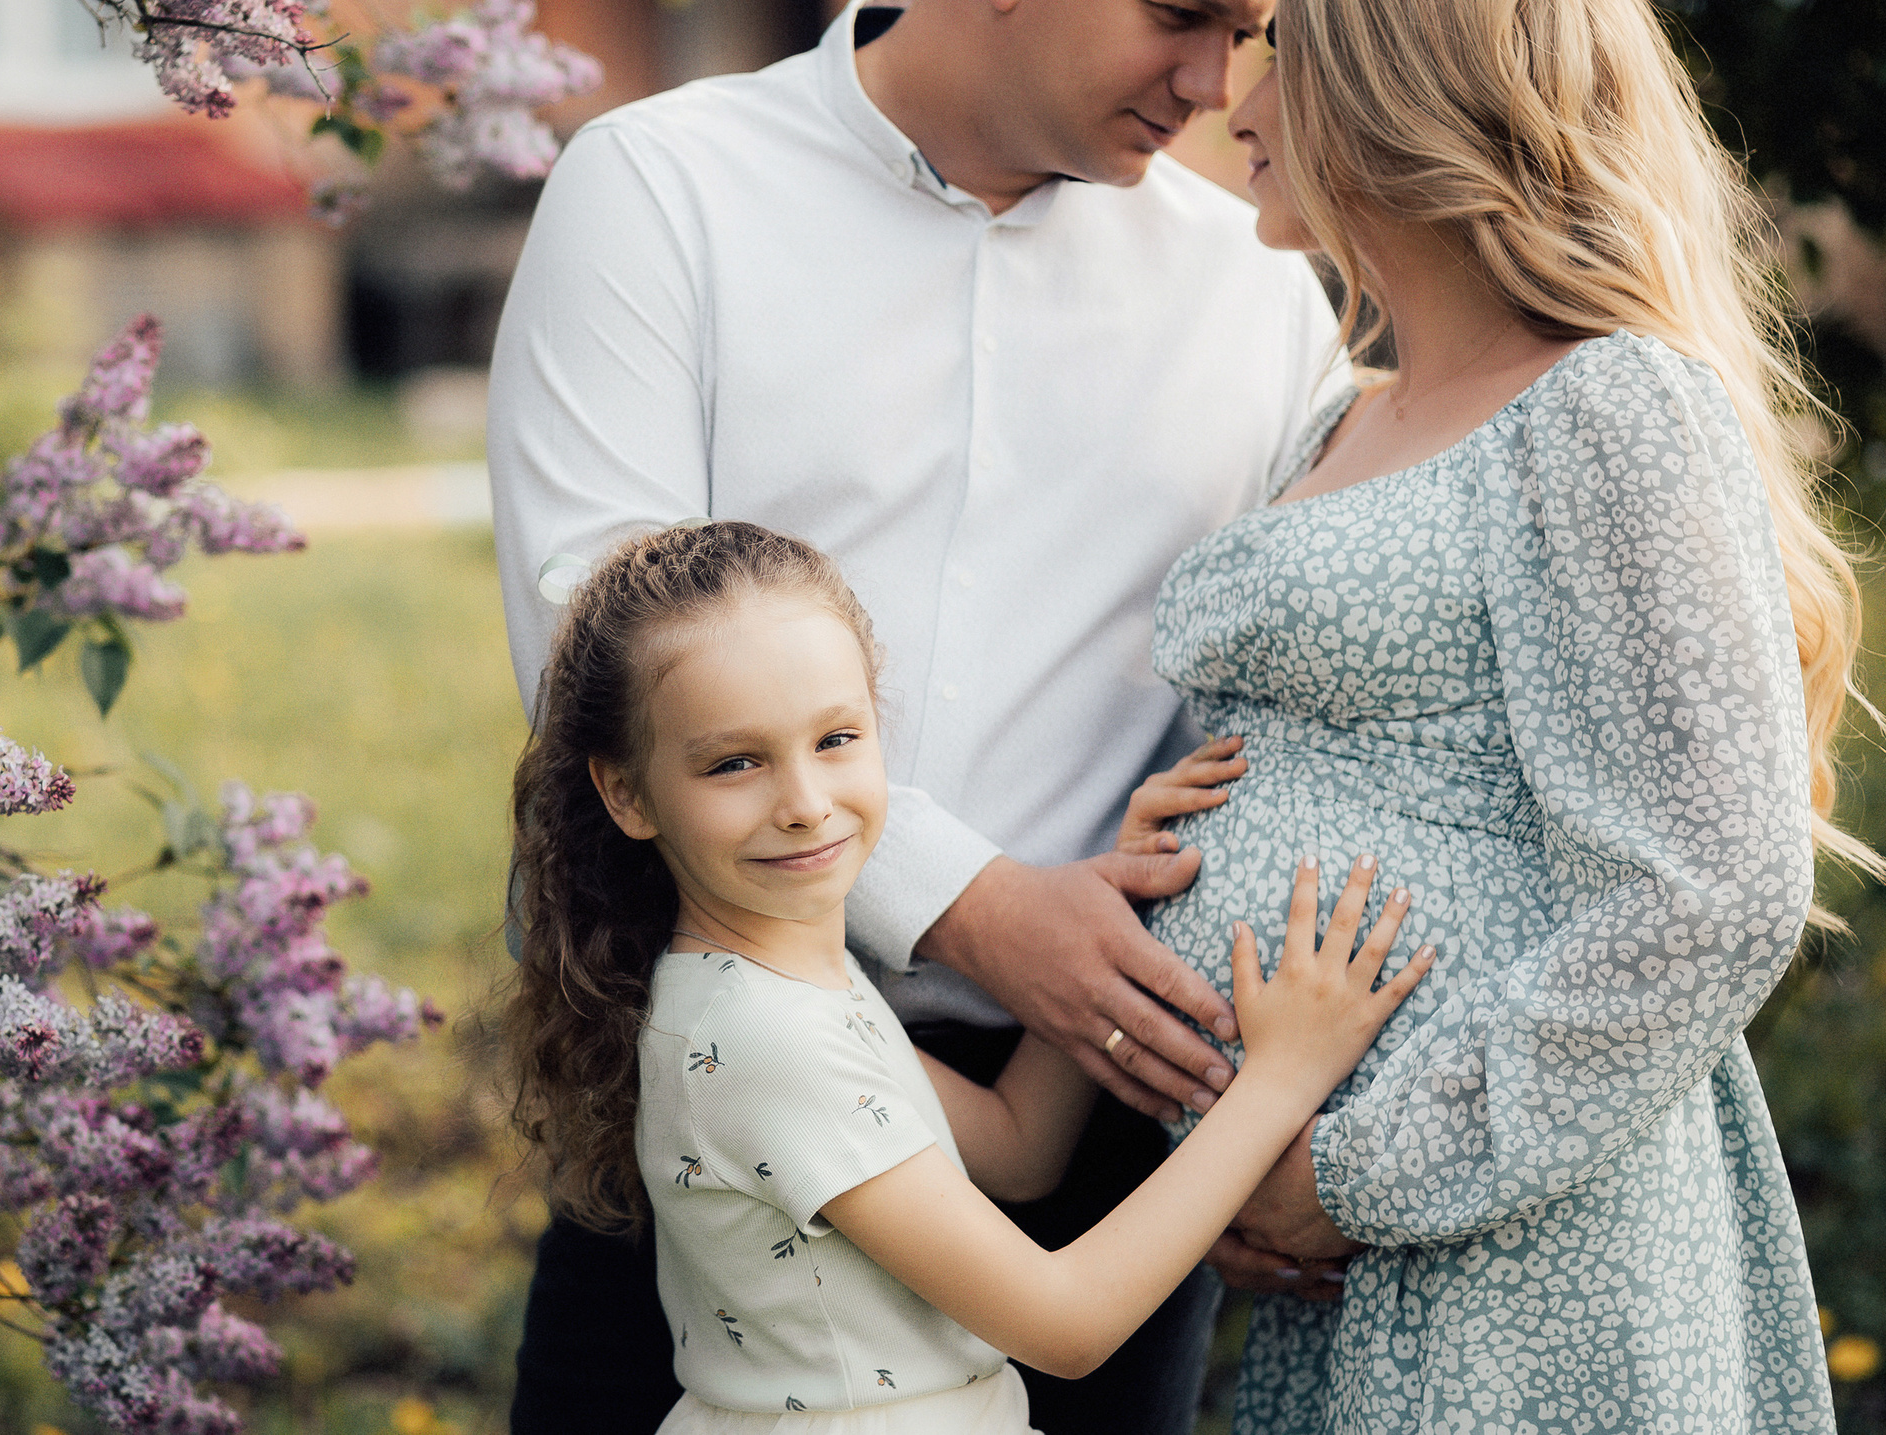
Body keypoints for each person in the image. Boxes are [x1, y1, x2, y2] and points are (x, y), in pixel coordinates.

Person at [486, 0, 1344, 1429]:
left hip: (1087, 1115)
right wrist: (975, 904)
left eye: (1248, 36)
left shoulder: (1256, 302)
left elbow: (1293, 699)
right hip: (717, 1082)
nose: (1217, 83)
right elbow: (606, 626)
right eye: (1183, 14)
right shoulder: (662, 192)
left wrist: (1252, 1094)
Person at [1140, 0, 1857, 1432]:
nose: (1233, 94)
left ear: (1392, 78)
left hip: (1518, 1241)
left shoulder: (1608, 406)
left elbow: (1710, 887)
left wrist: (1359, 1169)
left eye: (1283, 47)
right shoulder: (1349, 414)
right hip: (1345, 1241)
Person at [500, 520, 1434, 1435]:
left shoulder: (773, 984)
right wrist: (1282, 1078)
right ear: (626, 791)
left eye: (835, 739)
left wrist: (1118, 904)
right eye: (734, 762)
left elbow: (1019, 1149)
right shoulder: (761, 1040)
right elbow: (1066, 1324)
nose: (804, 804)